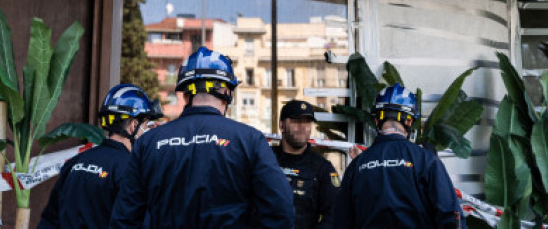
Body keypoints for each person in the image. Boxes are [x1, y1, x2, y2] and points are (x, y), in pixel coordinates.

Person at [109, 46, 293, 229]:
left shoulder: (148, 143)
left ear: (186, 93)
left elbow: (125, 218)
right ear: (226, 92)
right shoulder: (249, 140)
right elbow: (280, 209)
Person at [332, 83, 464, 229]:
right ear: (409, 121)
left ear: (376, 120)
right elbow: (450, 215)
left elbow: (341, 220)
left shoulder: (357, 165)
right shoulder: (425, 160)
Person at [38, 83, 163, 229]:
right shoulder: (132, 171)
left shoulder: (74, 163)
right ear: (134, 125)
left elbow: (50, 220)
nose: (147, 132)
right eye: (146, 125)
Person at [272, 99, 340, 229]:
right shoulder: (265, 159)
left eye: (307, 122)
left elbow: (334, 215)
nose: (302, 127)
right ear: (281, 125)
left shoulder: (322, 168)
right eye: (296, 121)